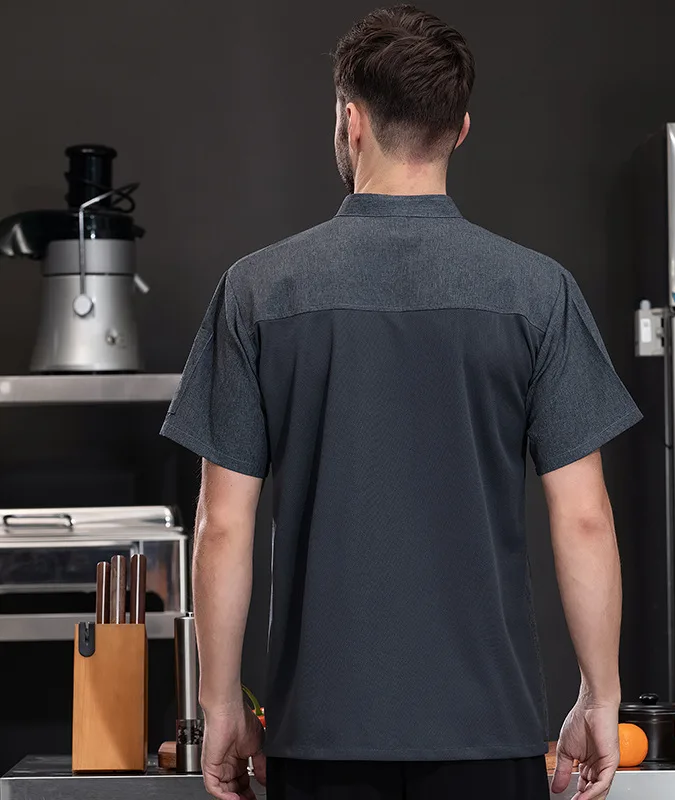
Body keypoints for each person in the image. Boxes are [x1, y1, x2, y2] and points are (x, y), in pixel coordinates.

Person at [161, 5, 642, 800]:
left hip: (320, 740)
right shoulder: (537, 291)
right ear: (459, 128)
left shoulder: (258, 291)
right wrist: (600, 694)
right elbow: (585, 516)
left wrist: (219, 705)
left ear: (351, 122)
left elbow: (221, 526)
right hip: (489, 737)